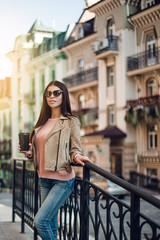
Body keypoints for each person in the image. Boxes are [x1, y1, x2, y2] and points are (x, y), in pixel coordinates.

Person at [18, 80, 91, 240]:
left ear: (63, 95)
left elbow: (75, 149)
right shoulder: (41, 124)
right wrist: (30, 153)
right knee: (50, 223)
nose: (52, 96)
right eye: (48, 93)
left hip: (62, 180)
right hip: (43, 178)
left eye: (56, 93)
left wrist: (77, 156)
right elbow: (41, 150)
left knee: (40, 221)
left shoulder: (71, 121)